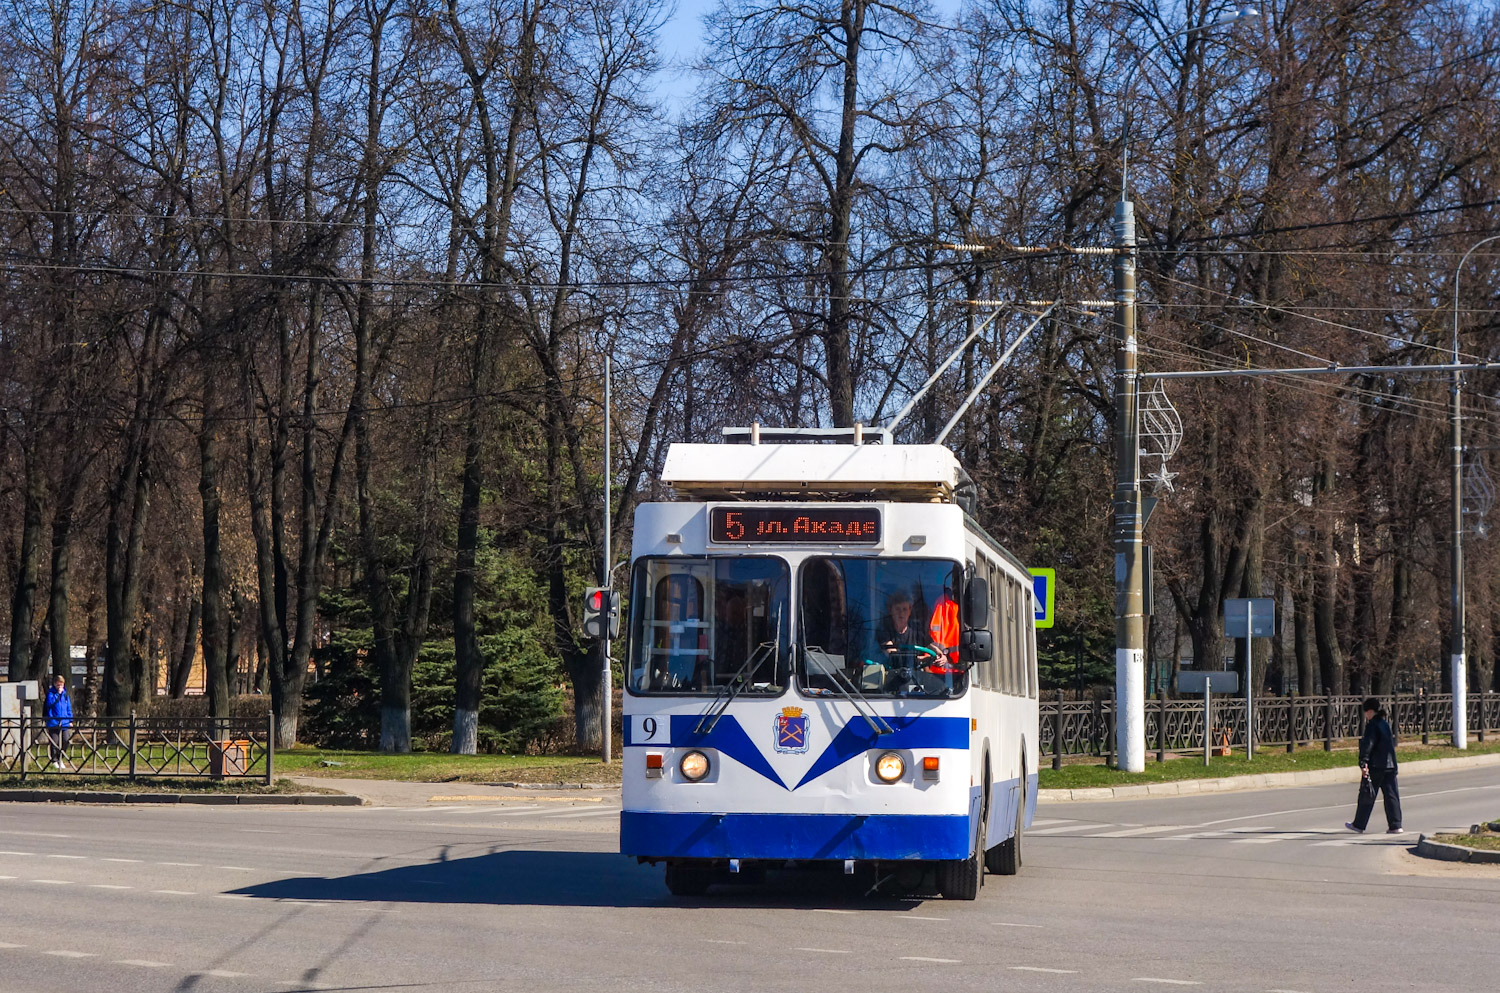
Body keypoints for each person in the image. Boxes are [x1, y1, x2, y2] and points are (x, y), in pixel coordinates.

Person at [1346, 696, 1402, 834]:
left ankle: (1359, 824)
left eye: (1366, 712)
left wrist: (1363, 762)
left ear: (1370, 711)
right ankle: (1395, 825)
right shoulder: (1385, 724)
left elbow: (1368, 745)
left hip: (1376, 766)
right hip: (1390, 766)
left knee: (1367, 794)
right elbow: (1390, 747)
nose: (1365, 715)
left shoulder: (1372, 726)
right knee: (1391, 796)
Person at [43, 675, 74, 771]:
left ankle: (60, 757)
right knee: (55, 742)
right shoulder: (51, 694)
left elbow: (68, 708)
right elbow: (49, 704)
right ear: (55, 684)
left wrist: (70, 720)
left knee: (66, 740)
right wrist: (58, 695)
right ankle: (54, 760)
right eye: (58, 683)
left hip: (64, 722)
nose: (60, 685)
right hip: (53, 721)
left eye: (61, 683)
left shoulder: (65, 695)